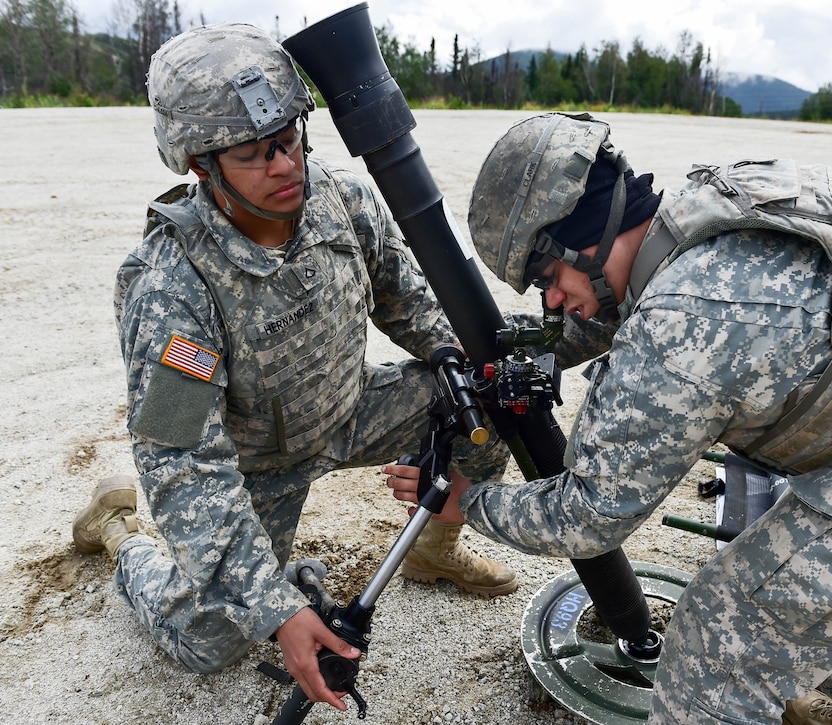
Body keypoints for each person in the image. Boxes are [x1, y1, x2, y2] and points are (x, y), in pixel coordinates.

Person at [385, 112, 832, 725]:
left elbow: (587, 514)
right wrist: (532, 352)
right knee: (805, 550)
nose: (553, 303)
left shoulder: (683, 328)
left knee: (718, 643)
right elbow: (616, 312)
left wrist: (467, 503)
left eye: (548, 282)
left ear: (580, 242)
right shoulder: (696, 214)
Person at [70, 23, 517, 713]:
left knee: (490, 401)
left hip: (350, 408)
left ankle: (434, 548)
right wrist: (275, 605)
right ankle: (118, 533)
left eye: (290, 138)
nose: (286, 165)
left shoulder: (338, 198)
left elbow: (404, 294)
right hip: (256, 467)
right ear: (200, 165)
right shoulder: (172, 283)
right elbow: (183, 461)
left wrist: (448, 360)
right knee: (208, 642)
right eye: (253, 153)